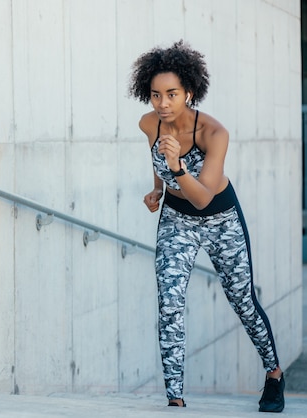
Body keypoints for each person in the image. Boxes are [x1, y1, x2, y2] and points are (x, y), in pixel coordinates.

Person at [128, 40, 285, 412]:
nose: (162, 103)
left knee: (243, 302)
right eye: (155, 95)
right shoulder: (149, 122)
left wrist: (178, 166)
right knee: (169, 302)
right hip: (176, 221)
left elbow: (203, 197)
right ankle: (176, 399)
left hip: (220, 218)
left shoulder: (214, 134)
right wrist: (156, 189)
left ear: (190, 93)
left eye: (171, 94)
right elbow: (157, 158)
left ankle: (274, 374)